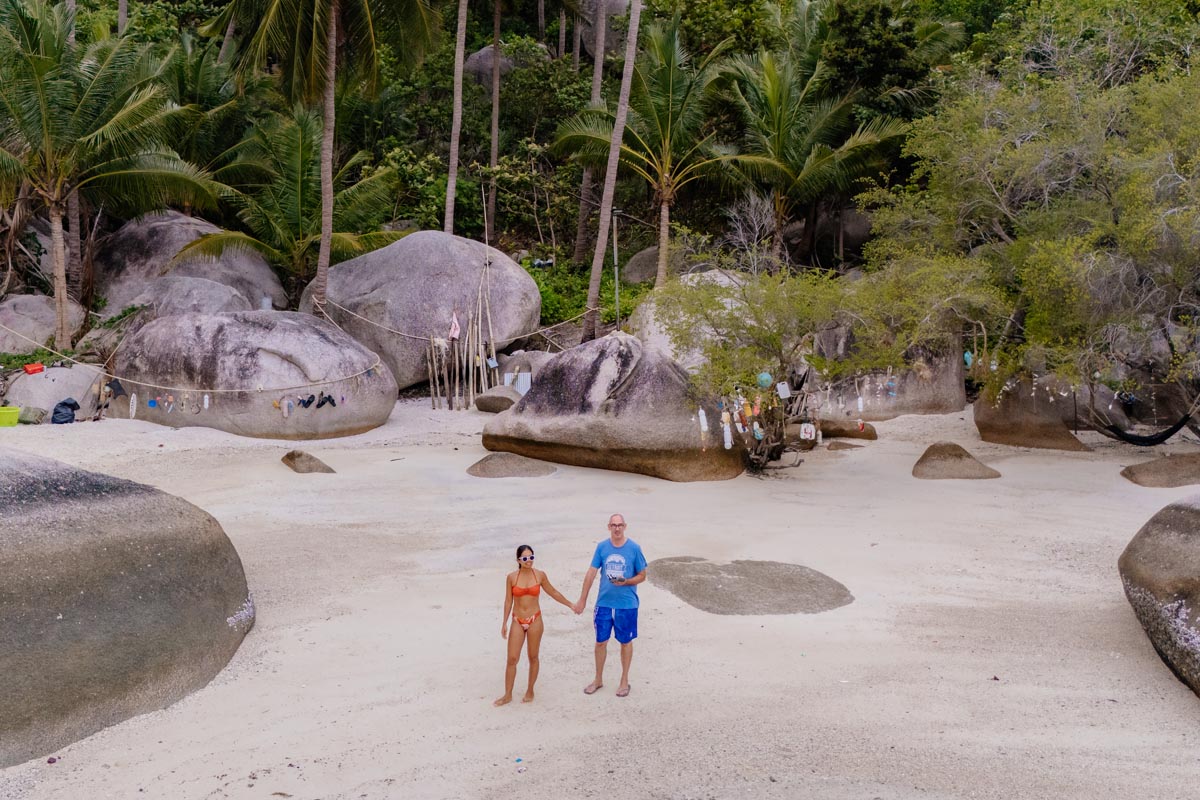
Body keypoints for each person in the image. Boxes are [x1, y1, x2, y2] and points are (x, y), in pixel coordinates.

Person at [573, 514, 647, 698]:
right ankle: (598, 679)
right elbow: (591, 573)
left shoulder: (634, 548)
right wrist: (582, 599)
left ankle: (624, 680)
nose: (617, 528)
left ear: (625, 526)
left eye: (620, 525)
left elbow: (642, 575)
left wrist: (626, 581)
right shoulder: (602, 547)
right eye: (613, 525)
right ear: (608, 527)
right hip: (604, 603)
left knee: (625, 642)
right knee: (600, 642)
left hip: (626, 605)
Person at [495, 545, 575, 706]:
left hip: (535, 620)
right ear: (518, 560)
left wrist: (570, 604)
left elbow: (553, 592)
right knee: (512, 658)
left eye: (531, 557)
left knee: (533, 657)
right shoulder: (511, 577)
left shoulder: (540, 575)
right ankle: (507, 694)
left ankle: (530, 689)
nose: (529, 561)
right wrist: (504, 622)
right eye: (525, 558)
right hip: (518, 620)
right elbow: (508, 601)